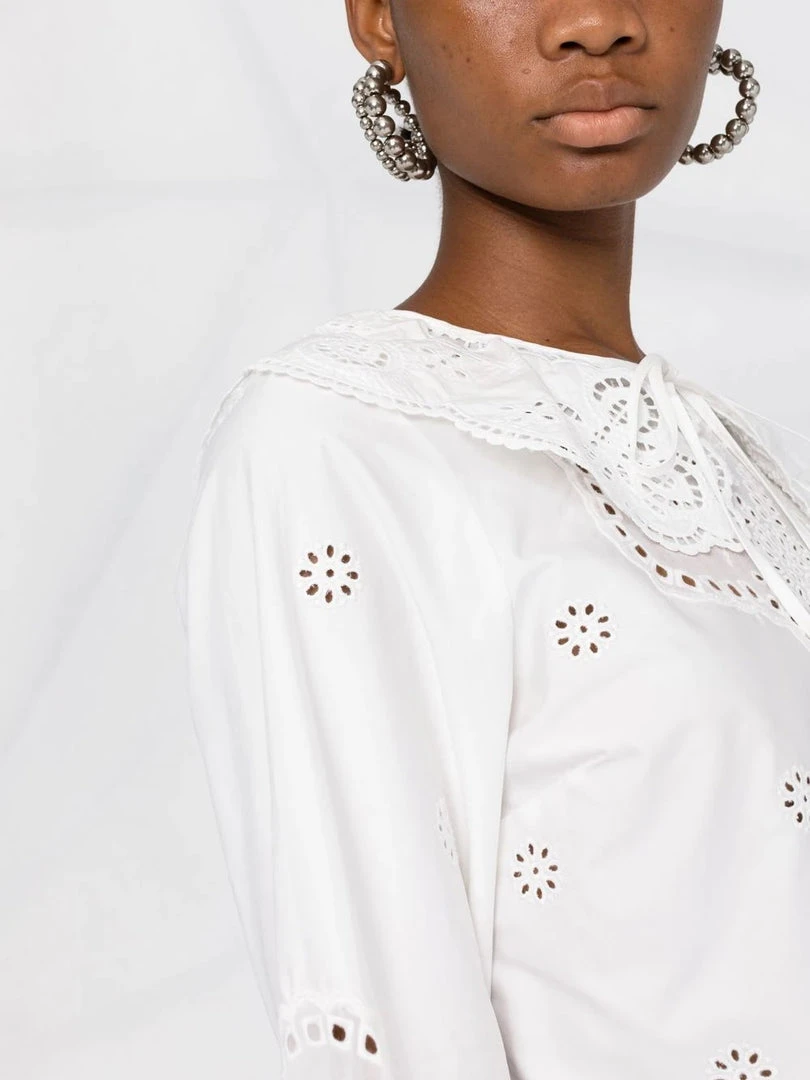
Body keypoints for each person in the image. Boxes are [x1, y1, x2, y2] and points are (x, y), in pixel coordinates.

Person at [177, 2, 810, 1077]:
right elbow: (380, 1021)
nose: (596, 22)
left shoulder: (752, 466)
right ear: (379, 19)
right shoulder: (338, 441)